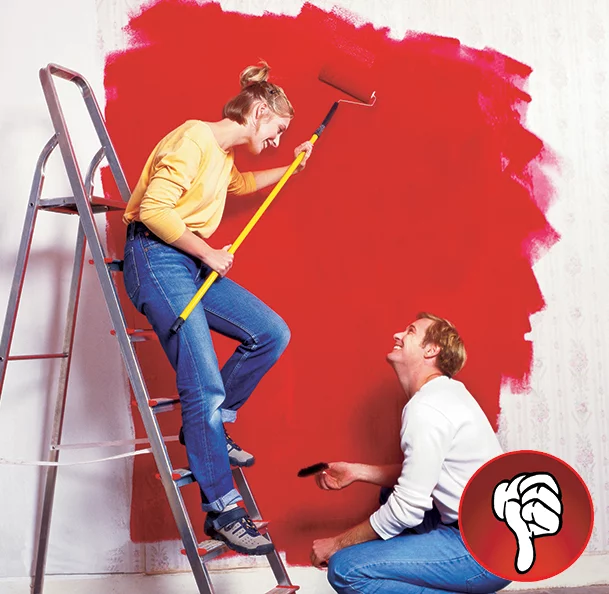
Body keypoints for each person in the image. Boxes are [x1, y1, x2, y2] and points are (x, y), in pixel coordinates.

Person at [122, 61, 313, 556]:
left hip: (186, 260)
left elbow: (239, 188)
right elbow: (152, 210)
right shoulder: (192, 139)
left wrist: (291, 163)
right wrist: (208, 253)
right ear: (258, 112)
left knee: (270, 332)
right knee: (202, 385)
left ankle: (207, 424)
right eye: (277, 129)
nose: (275, 139)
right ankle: (223, 511)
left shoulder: (222, 153)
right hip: (156, 257)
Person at [310, 312, 512, 593]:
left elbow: (406, 510)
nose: (398, 335)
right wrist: (358, 472)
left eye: (411, 331)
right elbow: (427, 473)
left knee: (346, 569)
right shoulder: (448, 393)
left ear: (431, 350)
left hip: (482, 552)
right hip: (498, 536)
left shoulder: (426, 408)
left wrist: (337, 544)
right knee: (388, 493)